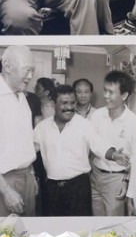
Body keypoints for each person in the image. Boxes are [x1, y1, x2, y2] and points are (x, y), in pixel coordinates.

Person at [33, 85, 96, 217]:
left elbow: (100, 145)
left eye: (73, 103)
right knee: (53, 226)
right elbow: (31, 151)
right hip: (51, 188)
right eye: (64, 103)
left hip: (78, 187)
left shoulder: (85, 125)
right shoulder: (42, 128)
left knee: (80, 227)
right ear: (53, 104)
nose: (69, 107)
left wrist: (113, 154)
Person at [88, 69, 136, 217]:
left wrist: (126, 181)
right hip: (95, 175)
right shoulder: (97, 115)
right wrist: (113, 155)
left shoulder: (134, 123)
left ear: (124, 96)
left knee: (113, 224)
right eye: (105, 90)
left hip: (116, 179)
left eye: (111, 92)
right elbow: (93, 143)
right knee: (96, 221)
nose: (106, 95)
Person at [0, 45, 37, 217]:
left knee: (28, 230)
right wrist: (6, 191)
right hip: (5, 182)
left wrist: (31, 174)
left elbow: (24, 140)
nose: (30, 76)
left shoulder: (22, 97)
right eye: (26, 70)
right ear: (7, 66)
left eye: (32, 70)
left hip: (26, 176)